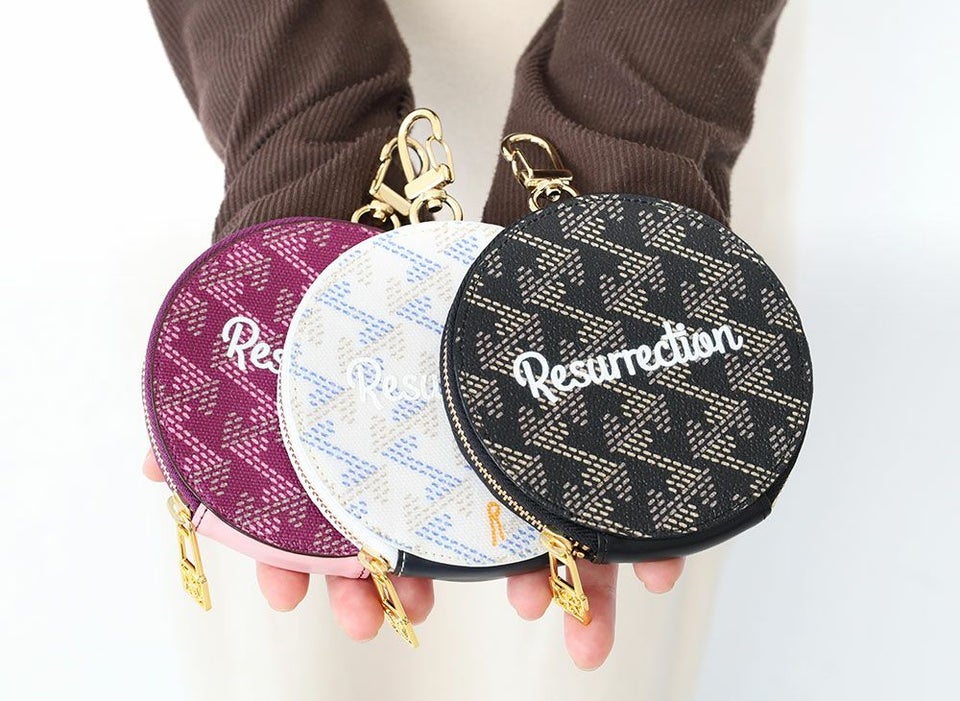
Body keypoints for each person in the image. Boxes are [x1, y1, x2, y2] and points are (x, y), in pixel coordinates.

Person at [143, 0, 786, 674]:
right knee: (297, 657)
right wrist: (298, 129)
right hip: (256, 80)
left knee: (582, 655)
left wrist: (637, 138)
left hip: (687, 64)